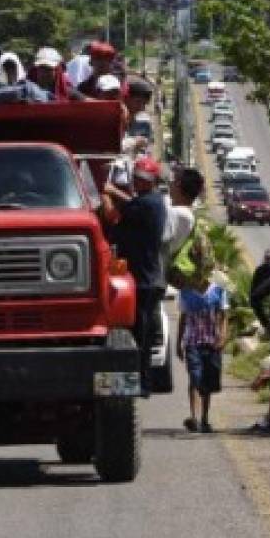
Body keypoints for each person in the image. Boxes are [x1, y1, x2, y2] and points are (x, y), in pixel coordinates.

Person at [108, 156, 169, 395]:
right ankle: (140, 382)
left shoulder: (148, 204)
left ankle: (142, 383)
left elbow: (115, 214)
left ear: (152, 181)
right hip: (147, 279)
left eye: (142, 179)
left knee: (140, 338)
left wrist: (108, 191)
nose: (137, 182)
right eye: (136, 178)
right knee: (140, 335)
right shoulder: (149, 202)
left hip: (145, 281)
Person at [177, 258, 229, 433]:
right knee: (195, 378)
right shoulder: (186, 291)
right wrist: (179, 342)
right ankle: (194, 418)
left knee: (208, 382)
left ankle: (204, 419)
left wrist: (223, 336)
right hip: (192, 341)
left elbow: (223, 315)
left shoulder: (219, 290)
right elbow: (183, 318)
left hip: (212, 342)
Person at [164, 167, 207, 288]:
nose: (170, 184)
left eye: (173, 181)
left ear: (179, 186)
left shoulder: (180, 214)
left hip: (159, 272)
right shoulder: (181, 212)